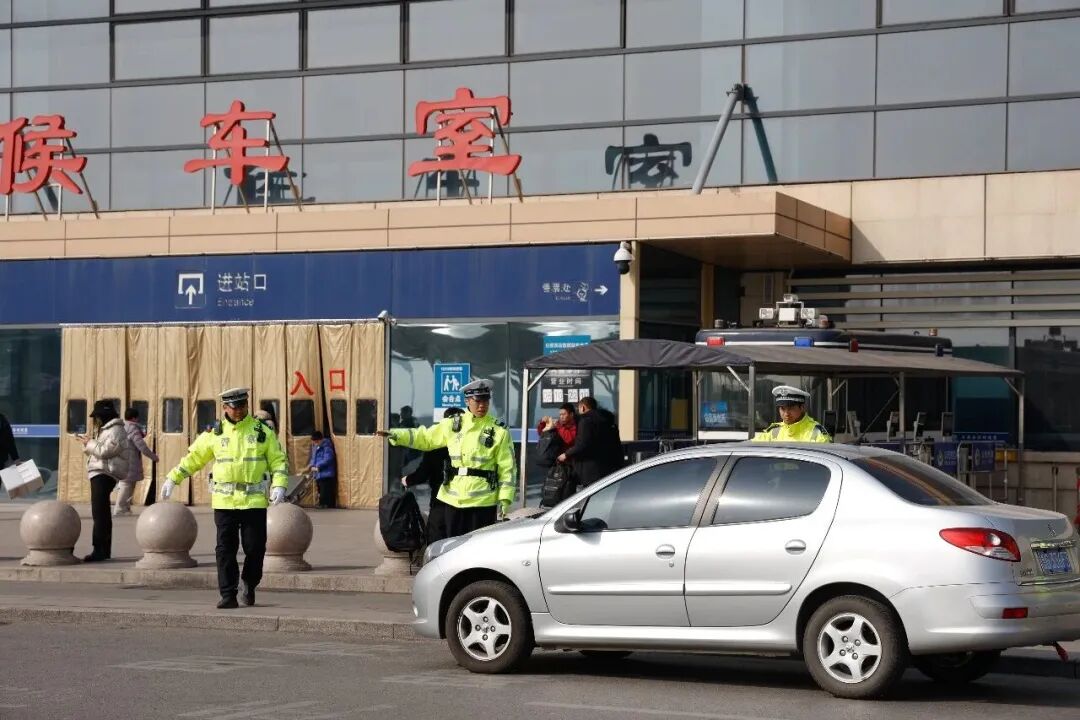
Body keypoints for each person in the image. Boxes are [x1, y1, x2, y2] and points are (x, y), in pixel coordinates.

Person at [161, 387, 288, 609]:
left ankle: (249, 582)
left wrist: (279, 485)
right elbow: (194, 458)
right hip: (224, 501)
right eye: (234, 407)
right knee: (225, 549)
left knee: (255, 548)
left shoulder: (262, 432)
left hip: (254, 501)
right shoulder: (214, 434)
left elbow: (278, 461)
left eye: (242, 406)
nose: (239, 411)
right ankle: (228, 594)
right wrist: (173, 478)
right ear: (225, 408)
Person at [378, 380, 514, 537]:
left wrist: (505, 499)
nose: (482, 405)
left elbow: (507, 468)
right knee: (452, 545)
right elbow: (425, 438)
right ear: (467, 401)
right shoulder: (453, 425)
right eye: (478, 401)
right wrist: (396, 434)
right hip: (452, 500)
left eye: (486, 401)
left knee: (477, 547)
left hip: (483, 503)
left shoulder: (499, 431)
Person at [401, 406, 464, 544]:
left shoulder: (436, 446)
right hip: (464, 502)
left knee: (436, 538)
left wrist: (408, 480)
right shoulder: (469, 446)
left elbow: (423, 473)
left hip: (440, 499)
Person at [77, 400, 130, 562]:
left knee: (100, 513)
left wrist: (89, 443)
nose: (96, 420)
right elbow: (100, 451)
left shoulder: (116, 430)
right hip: (100, 472)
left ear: (104, 416)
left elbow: (105, 451)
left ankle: (100, 550)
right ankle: (103, 549)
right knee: (101, 512)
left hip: (105, 473)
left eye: (98, 417)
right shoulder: (108, 429)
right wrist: (89, 444)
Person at [557, 395, 623, 489]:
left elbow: (582, 444)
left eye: (579, 408)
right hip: (609, 466)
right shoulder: (608, 421)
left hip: (591, 469)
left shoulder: (586, 421)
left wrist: (566, 454)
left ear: (583, 407)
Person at [115, 407, 159, 516]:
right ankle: (120, 509)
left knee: (127, 485)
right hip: (130, 462)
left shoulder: (121, 427)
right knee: (126, 485)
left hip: (121, 460)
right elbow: (141, 446)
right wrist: (153, 457)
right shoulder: (132, 429)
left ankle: (125, 508)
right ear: (134, 418)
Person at [752, 385, 831, 443]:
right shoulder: (774, 431)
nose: (786, 413)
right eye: (782, 409)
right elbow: (751, 447)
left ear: (802, 407)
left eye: (790, 408)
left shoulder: (817, 433)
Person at [308, 430, 337, 509]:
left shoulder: (327, 446)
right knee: (320, 489)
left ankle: (325, 504)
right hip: (318, 473)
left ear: (321, 439)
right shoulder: (315, 447)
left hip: (326, 473)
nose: (315, 443)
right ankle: (322, 503)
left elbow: (328, 458)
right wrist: (312, 465)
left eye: (317, 441)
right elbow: (313, 458)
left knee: (325, 489)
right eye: (314, 442)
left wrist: (318, 466)